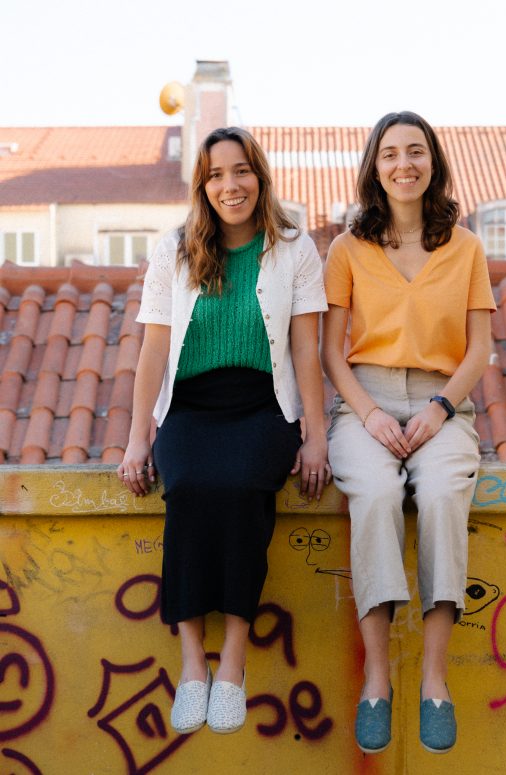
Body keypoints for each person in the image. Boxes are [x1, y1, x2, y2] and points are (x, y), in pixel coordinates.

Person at [118, 126, 330, 736]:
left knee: (241, 489)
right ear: (202, 185)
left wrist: (314, 437)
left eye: (240, 172)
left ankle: (232, 663)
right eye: (215, 175)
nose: (229, 185)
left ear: (259, 176)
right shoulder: (175, 249)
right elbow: (153, 350)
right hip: (189, 407)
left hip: (263, 407)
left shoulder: (294, 247)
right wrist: (139, 437)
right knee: (184, 488)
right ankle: (192, 666)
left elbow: (306, 350)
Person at [321, 111, 495, 755]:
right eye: (390, 153)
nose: (404, 164)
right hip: (362, 400)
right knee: (375, 494)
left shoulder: (467, 247)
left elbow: (479, 348)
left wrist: (440, 410)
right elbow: (331, 352)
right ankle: (375, 676)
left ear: (433, 161)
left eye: (415, 151)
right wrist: (366, 412)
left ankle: (432, 677)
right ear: (374, 166)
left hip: (442, 400)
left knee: (446, 492)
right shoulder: (347, 248)